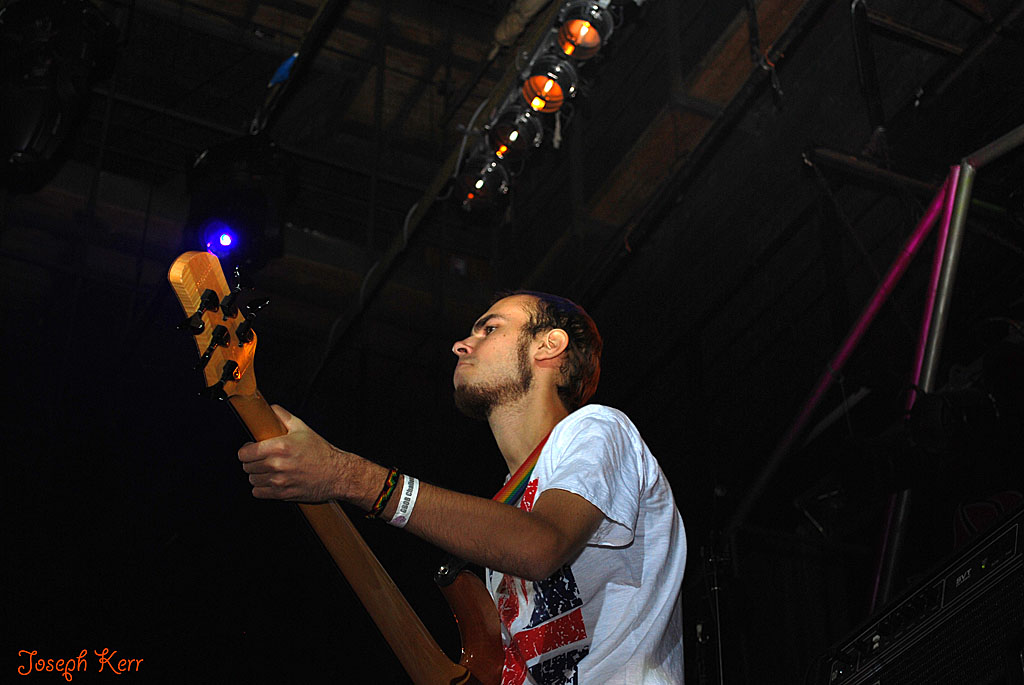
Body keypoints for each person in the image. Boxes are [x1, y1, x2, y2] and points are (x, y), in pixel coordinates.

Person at [237, 291, 686, 684]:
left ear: (549, 345)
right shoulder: (504, 513)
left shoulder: (597, 428)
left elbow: (540, 547)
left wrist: (349, 475)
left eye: (490, 329)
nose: (461, 344)